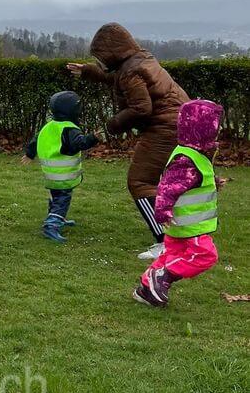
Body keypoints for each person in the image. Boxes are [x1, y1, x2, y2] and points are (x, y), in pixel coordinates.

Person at [68, 23, 188, 260]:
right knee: (170, 180)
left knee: (140, 182)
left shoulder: (131, 70)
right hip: (179, 122)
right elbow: (119, 78)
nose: (101, 61)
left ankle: (166, 243)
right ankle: (183, 234)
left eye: (101, 57)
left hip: (164, 128)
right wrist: (89, 71)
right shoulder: (140, 60)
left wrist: (111, 126)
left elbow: (141, 109)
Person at [133, 100, 223, 309]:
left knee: (172, 255)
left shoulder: (192, 154)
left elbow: (190, 182)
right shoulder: (187, 159)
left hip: (181, 224)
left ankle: (147, 289)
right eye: (214, 126)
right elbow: (168, 187)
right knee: (205, 255)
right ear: (204, 128)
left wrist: (213, 183)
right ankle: (161, 276)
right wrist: (162, 211)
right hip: (189, 226)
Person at [22, 91, 99, 243]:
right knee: (62, 199)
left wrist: (29, 154)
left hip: (50, 174)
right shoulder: (69, 128)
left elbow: (35, 140)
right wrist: (93, 138)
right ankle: (52, 225)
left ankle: (58, 218)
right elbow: (80, 144)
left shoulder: (49, 126)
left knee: (55, 197)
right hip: (64, 175)